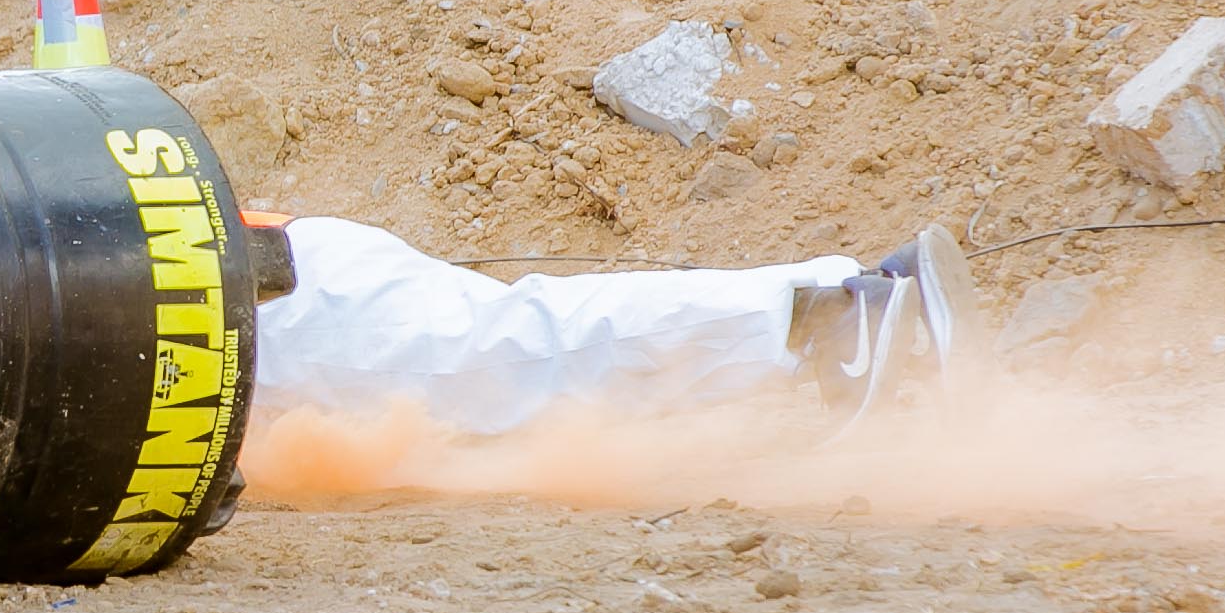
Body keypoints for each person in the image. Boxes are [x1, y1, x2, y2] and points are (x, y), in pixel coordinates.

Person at [254, 215, 979, 436]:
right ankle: (875, 348)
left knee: (508, 358)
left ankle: (839, 315)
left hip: (255, 309)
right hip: (256, 290)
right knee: (505, 390)